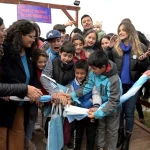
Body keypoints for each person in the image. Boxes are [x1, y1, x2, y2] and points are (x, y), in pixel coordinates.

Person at [59, 51, 122, 150]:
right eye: (91, 68)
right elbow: (87, 86)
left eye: (94, 69)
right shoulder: (93, 72)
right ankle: (100, 147)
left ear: (103, 67)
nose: (92, 71)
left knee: (112, 130)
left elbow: (114, 101)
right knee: (101, 127)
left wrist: (98, 113)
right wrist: (72, 95)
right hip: (100, 106)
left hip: (112, 108)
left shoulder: (114, 80)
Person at [106, 21, 150, 150]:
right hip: (118, 85)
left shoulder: (140, 46)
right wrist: (109, 48)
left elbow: (144, 68)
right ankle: (120, 135)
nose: (120, 32)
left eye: (123, 29)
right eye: (119, 29)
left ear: (130, 30)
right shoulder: (116, 46)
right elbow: (108, 63)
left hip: (133, 85)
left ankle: (127, 139)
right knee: (119, 111)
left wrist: (144, 60)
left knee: (130, 112)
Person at [1, 19, 43, 150]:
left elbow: (31, 76)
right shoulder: (6, 50)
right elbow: (7, 75)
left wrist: (36, 91)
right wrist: (25, 89)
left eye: (34, 37)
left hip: (20, 102)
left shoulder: (30, 53)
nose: (33, 40)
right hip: (5, 102)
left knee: (17, 135)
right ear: (20, 35)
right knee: (2, 138)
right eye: (30, 36)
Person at [41, 41, 75, 149]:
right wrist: (54, 92)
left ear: (73, 56)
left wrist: (68, 95)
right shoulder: (52, 62)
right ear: (60, 53)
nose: (66, 58)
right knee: (51, 119)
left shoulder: (75, 67)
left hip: (66, 97)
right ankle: (49, 139)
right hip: (54, 97)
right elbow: (44, 78)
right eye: (64, 55)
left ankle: (63, 141)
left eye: (70, 56)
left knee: (66, 120)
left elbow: (73, 82)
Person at [67, 59, 101, 150]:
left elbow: (96, 94)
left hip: (91, 113)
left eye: (82, 73)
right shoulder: (71, 84)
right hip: (78, 114)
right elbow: (70, 96)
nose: (79, 75)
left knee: (91, 135)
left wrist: (96, 105)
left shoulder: (91, 82)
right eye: (77, 73)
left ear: (87, 73)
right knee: (77, 134)